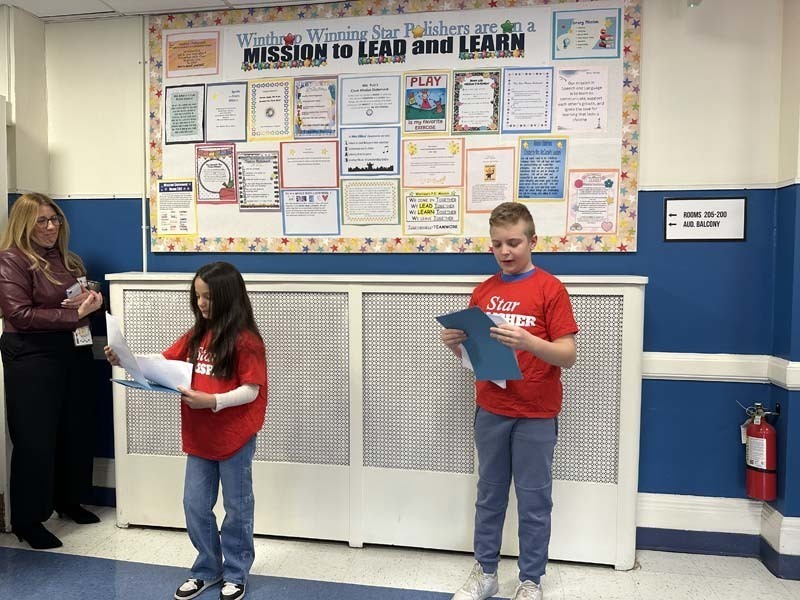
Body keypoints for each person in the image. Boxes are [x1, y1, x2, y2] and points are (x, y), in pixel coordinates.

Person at [105, 261, 267, 600]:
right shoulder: (196, 335)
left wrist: (212, 401)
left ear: (228, 297)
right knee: (194, 505)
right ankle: (207, 569)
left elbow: (251, 390)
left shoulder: (246, 340)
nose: (201, 304)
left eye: (208, 297)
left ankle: (236, 573)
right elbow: (164, 362)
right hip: (200, 438)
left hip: (235, 438)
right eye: (197, 297)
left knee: (237, 508)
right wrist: (125, 357)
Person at [440, 202, 578, 600]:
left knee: (534, 500)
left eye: (514, 242)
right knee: (490, 495)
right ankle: (485, 573)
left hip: (536, 413)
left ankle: (530, 580)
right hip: (491, 409)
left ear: (532, 241)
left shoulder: (550, 289)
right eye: (497, 244)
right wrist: (456, 345)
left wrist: (529, 342)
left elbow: (568, 355)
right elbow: (477, 357)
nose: (505, 251)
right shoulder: (484, 291)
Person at [0, 192, 104, 549]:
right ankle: (28, 520)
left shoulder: (66, 259)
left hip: (72, 350)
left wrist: (93, 299)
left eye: (54, 219)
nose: (50, 227)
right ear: (23, 225)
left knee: (75, 429)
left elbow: (81, 298)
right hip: (32, 356)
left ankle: (68, 500)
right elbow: (19, 315)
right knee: (35, 438)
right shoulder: (11, 260)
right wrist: (74, 315)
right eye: (41, 221)